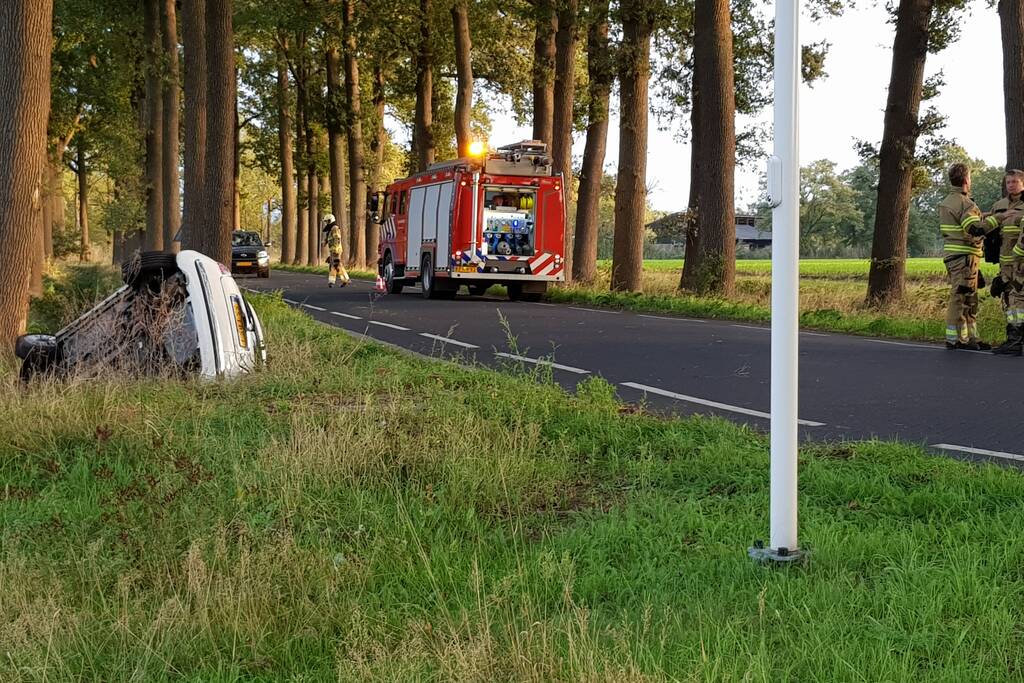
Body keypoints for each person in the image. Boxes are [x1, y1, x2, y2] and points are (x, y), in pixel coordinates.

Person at [938, 163, 998, 350]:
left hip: (954, 256)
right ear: (966, 180)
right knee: (961, 297)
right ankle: (955, 339)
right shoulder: (966, 203)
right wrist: (998, 220)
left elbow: (964, 220)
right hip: (965, 258)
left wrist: (985, 214)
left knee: (968, 298)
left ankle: (969, 338)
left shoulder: (948, 201)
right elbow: (974, 228)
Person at [988, 170, 1024, 354]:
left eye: (1015, 181)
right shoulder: (999, 205)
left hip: (1020, 264)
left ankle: (1015, 341)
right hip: (1005, 264)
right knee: (1010, 301)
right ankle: (1013, 339)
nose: (1011, 185)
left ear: (1022, 184)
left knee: (1018, 301)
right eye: (1008, 182)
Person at [321, 214, 350, 288]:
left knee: (335, 265)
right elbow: (329, 238)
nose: (326, 223)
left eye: (327, 221)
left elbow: (337, 239)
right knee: (335, 265)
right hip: (333, 250)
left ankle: (334, 281)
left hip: (336, 250)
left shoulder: (335, 228)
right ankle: (343, 280)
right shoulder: (331, 229)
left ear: (330, 220)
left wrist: (335, 250)